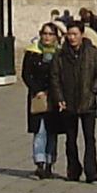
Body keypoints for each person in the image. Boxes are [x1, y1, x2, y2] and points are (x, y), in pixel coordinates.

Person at [52, 19, 97, 183]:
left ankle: (91, 171)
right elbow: (55, 77)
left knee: (89, 138)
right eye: (69, 34)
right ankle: (73, 170)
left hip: (87, 101)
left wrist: (93, 90)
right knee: (70, 139)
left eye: (75, 34)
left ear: (82, 35)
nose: (72, 38)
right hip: (68, 102)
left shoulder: (92, 53)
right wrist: (59, 97)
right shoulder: (60, 55)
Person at [22, 23, 62, 179]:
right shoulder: (32, 52)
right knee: (39, 131)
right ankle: (39, 162)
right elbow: (26, 74)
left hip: (54, 97)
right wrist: (37, 89)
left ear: (56, 37)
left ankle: (50, 163)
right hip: (37, 97)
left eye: (50, 34)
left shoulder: (60, 53)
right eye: (44, 33)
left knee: (52, 131)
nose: (47, 37)